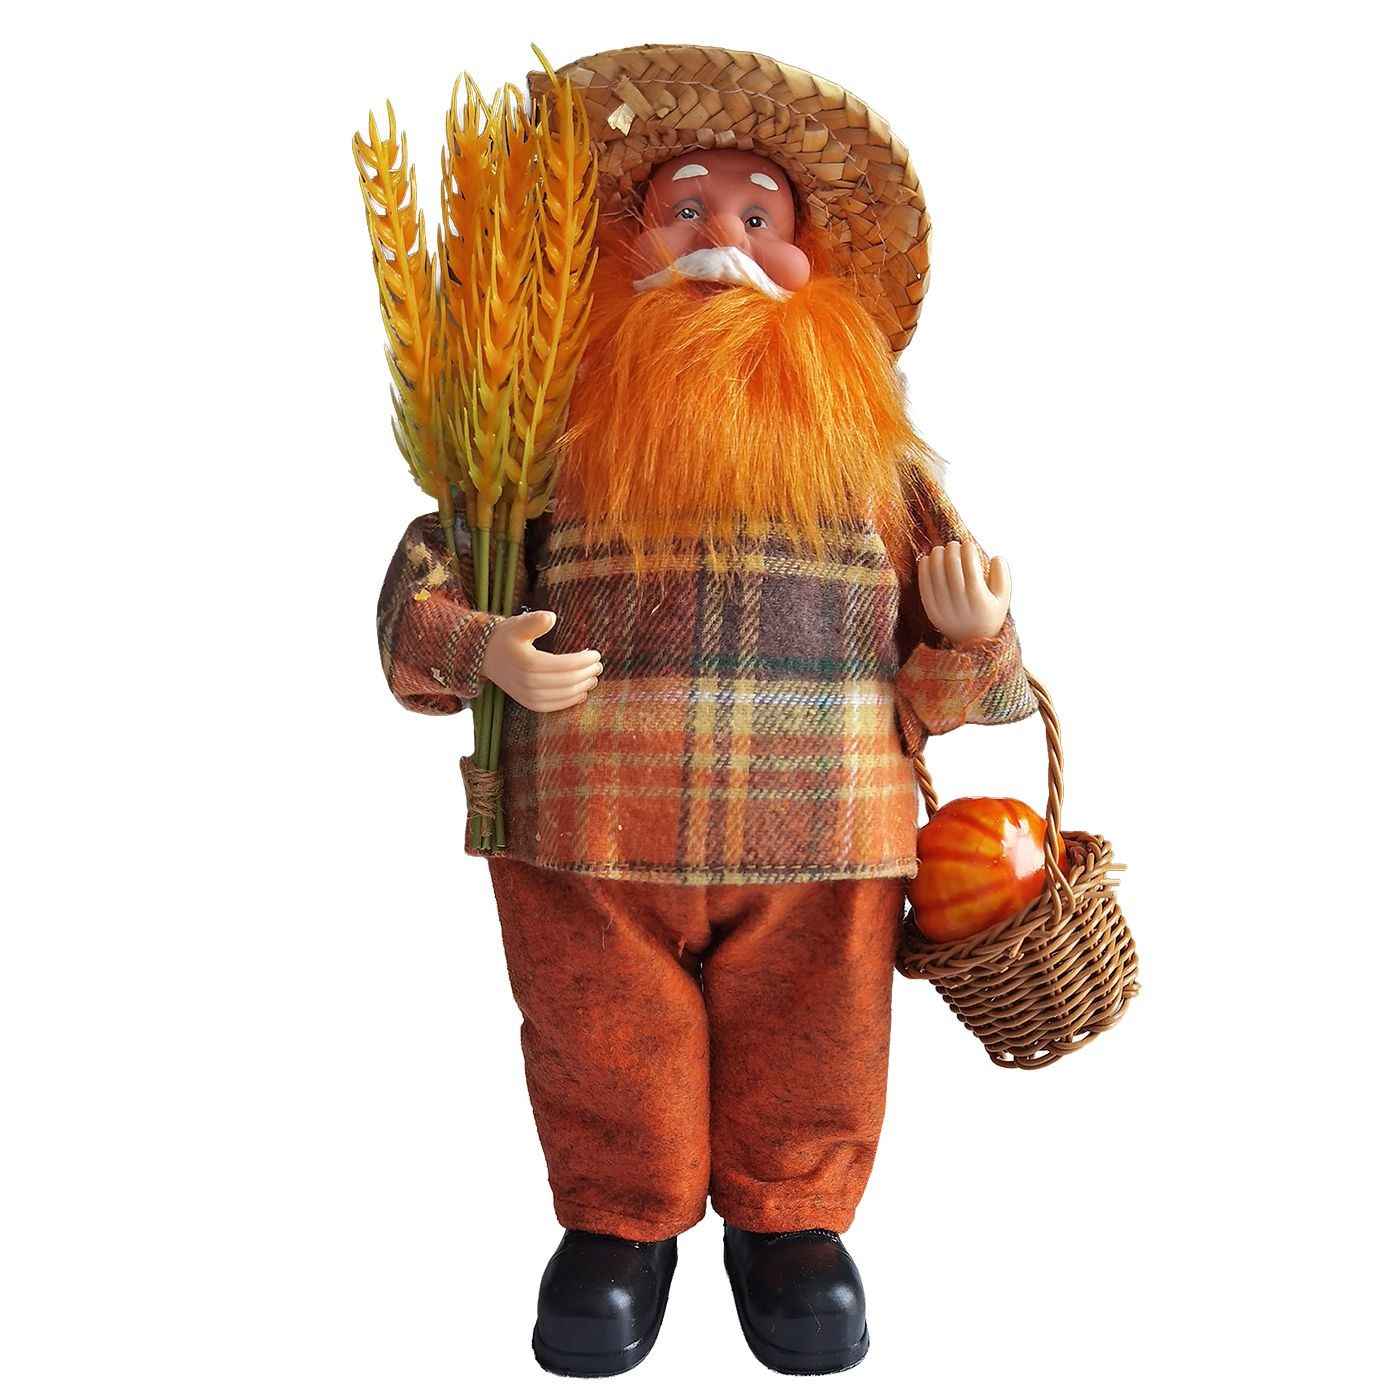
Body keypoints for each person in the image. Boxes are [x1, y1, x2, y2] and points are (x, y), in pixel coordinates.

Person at [376, 44, 1035, 1377]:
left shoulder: (873, 466)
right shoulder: (539, 445)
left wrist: (972, 639)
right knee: (601, 1032)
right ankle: (620, 1224)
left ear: (810, 267)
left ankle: (792, 1224)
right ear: (623, 251)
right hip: (588, 832)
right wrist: (482, 647)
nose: (719, 242)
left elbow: (954, 681)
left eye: (756, 217)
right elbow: (422, 589)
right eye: (684, 209)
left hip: (823, 840)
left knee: (818, 1031)